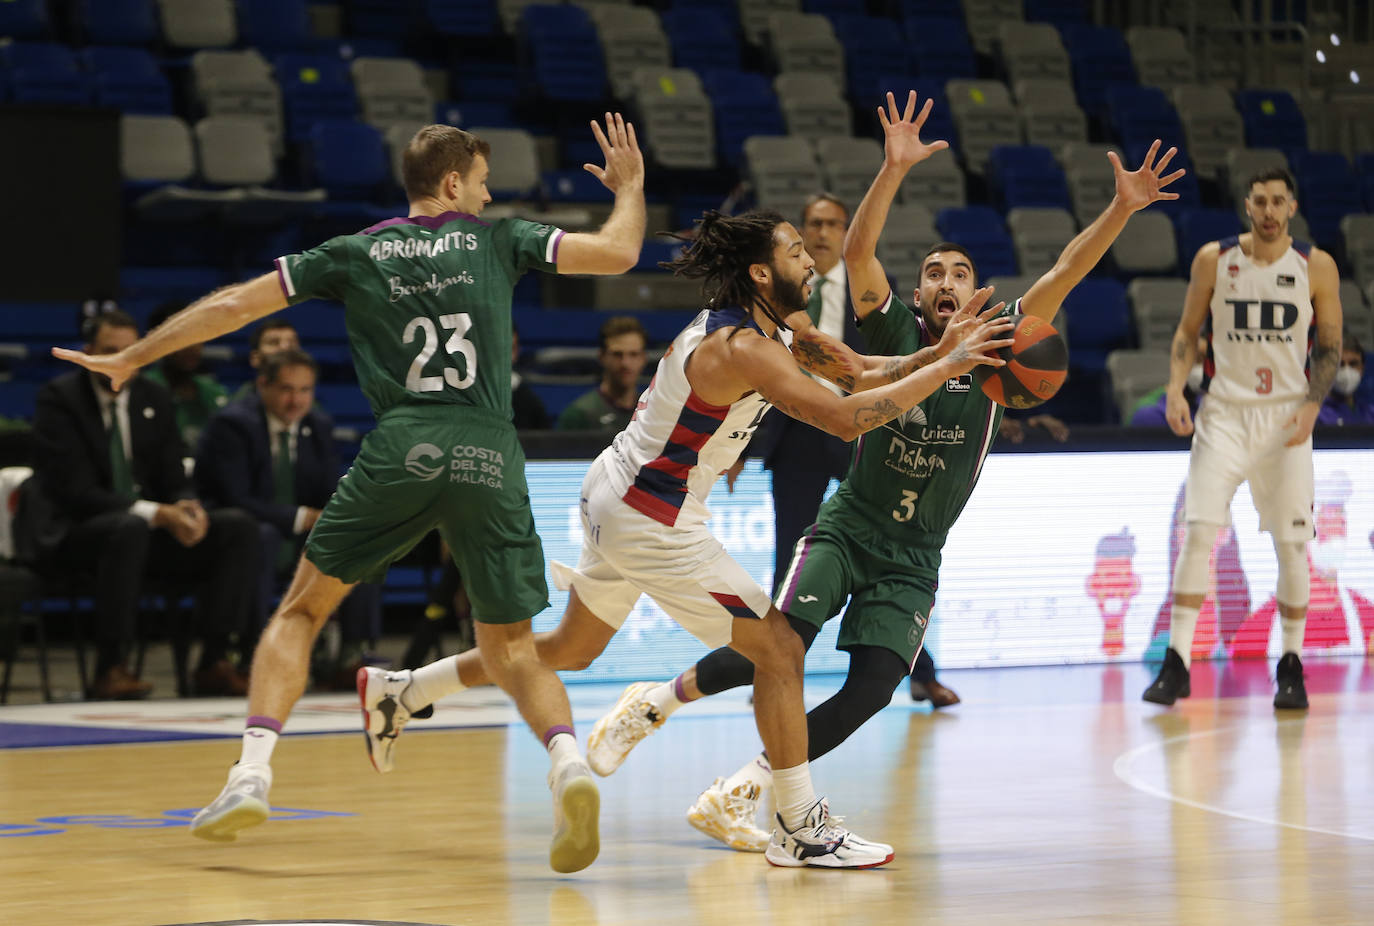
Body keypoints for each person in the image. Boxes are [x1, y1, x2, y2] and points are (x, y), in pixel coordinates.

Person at [574, 91, 1186, 854]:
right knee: (779, 641)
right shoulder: (896, 329)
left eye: (958, 271)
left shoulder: (1002, 345)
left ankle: (748, 789)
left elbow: (1068, 266)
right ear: (921, 291)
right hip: (850, 524)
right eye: (932, 272)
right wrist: (893, 168)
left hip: (915, 554)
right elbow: (860, 253)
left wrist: (1123, 207)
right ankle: (656, 702)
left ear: (976, 290)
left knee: (872, 690)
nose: (945, 281)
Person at [54, 114, 648, 874]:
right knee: (512, 646)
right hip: (489, 451)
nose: (492, 191)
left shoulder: (356, 252)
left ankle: (251, 774)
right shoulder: (503, 239)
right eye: (484, 178)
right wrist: (628, 189)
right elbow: (622, 250)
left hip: (406, 445)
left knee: (300, 611)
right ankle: (568, 767)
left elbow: (234, 306)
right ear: (453, 183)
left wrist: (134, 355)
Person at [364, 200, 1017, 868]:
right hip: (653, 516)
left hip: (613, 490)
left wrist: (943, 352)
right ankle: (798, 824)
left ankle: (405, 690)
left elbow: (860, 370)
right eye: (795, 250)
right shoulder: (744, 348)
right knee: (780, 652)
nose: (807, 259)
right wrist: (946, 364)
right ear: (763, 275)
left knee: (569, 646)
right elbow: (850, 419)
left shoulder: (777, 327)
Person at [1142, 166, 1344, 711]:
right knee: (1199, 533)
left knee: (1292, 544)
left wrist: (1311, 406)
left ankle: (1291, 664)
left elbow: (1329, 347)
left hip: (1286, 418)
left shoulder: (1315, 265)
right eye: (1261, 202)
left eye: (1280, 201)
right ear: (1247, 208)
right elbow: (1188, 331)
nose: (1270, 211)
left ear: (1293, 208)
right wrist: (1176, 390)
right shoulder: (1214, 259)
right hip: (1225, 412)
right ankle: (1177, 662)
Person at [32, 310, 259, 699]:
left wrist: (187, 505)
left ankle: (215, 662)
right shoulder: (60, 399)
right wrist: (157, 513)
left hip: (144, 535)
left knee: (236, 526)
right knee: (129, 528)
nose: (122, 359)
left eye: (132, 351)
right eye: (110, 350)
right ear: (88, 352)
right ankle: (111, 668)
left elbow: (173, 475)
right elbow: (76, 493)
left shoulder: (153, 397)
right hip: (77, 535)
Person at [194, 348, 383, 686]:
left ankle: (351, 656)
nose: (296, 401)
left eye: (305, 390)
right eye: (286, 389)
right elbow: (234, 498)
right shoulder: (233, 424)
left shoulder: (317, 425)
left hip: (293, 536)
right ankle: (246, 656)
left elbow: (328, 492)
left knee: (356, 535)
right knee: (259, 535)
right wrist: (301, 518)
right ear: (262, 385)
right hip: (235, 535)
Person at [140, 301, 230, 448]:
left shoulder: (214, 392)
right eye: (181, 339)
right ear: (157, 342)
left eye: (197, 337)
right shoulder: (142, 391)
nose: (192, 347)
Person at [555, 316, 648, 432]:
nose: (625, 363)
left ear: (644, 358)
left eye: (633, 354)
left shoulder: (652, 414)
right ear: (601, 357)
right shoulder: (578, 416)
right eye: (617, 354)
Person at [1317, 331, 1373, 425]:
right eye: (1340, 364)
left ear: (1362, 368)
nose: (1347, 370)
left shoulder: (1370, 414)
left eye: (1353, 364)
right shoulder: (1317, 415)